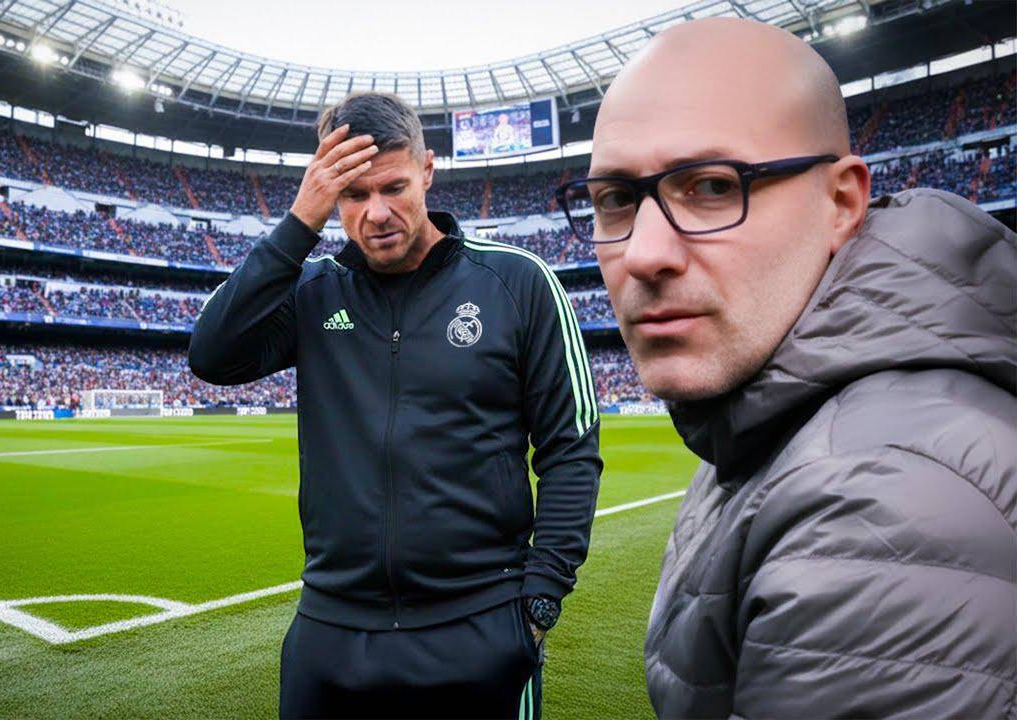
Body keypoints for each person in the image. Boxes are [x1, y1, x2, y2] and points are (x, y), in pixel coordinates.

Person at [556, 17, 1016, 718]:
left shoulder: (880, 512)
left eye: (712, 186)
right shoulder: (769, 415)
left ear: (841, 203)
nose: (643, 253)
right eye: (615, 199)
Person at [190, 91, 602, 719]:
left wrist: (540, 600)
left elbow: (570, 449)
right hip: (332, 629)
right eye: (353, 195)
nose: (376, 213)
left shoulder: (517, 282)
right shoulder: (314, 291)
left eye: (394, 188)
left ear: (427, 171)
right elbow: (213, 355)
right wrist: (300, 222)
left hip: (479, 624)